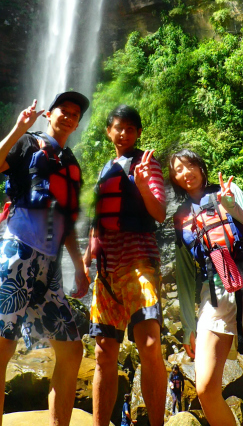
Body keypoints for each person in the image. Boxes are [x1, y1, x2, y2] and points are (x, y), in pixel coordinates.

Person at [0, 91, 90, 426]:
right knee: (1, 347)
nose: (69, 116)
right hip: (15, 252)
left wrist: (80, 266)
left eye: (75, 114)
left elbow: (67, 221)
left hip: (48, 266)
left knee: (72, 350)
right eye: (63, 110)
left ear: (77, 124)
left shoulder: (71, 164)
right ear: (49, 114)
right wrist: (18, 128)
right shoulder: (27, 142)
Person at [170, 149, 243, 426]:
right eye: (178, 170)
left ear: (200, 166)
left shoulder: (228, 190)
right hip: (215, 290)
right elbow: (185, 275)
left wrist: (232, 206)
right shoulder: (181, 217)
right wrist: (188, 325)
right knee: (205, 389)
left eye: (190, 165)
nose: (185, 173)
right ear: (173, 179)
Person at [83, 104, 167, 426]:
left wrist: (143, 185)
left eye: (131, 129)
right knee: (104, 350)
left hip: (139, 258)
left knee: (149, 342)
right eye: (118, 127)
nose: (124, 134)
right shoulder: (106, 168)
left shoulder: (147, 162)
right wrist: (87, 258)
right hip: (107, 266)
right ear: (109, 131)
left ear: (138, 133)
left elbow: (159, 212)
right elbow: (98, 218)